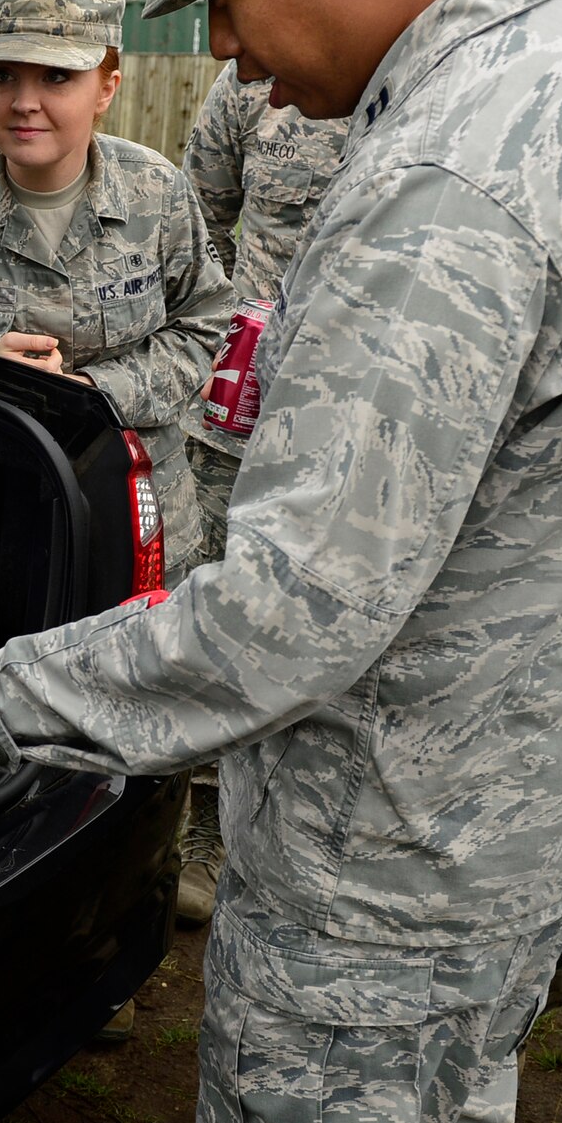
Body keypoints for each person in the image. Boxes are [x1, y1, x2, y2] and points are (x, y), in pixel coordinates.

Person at [0, 0, 562, 1123]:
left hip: (380, 888)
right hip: (521, 818)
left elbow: (292, 614)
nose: (219, 51)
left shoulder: (444, 184)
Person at [0, 0, 231, 586]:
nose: (25, 102)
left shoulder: (156, 194)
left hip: (140, 521)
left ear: (106, 87)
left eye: (57, 77)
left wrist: (87, 390)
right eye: (4, 76)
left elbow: (206, 327)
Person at [171, 64, 348, 926]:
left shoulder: (443, 87)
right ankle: (200, 827)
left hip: (372, 416)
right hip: (240, 410)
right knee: (213, 605)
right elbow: (198, 217)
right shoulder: (251, 86)